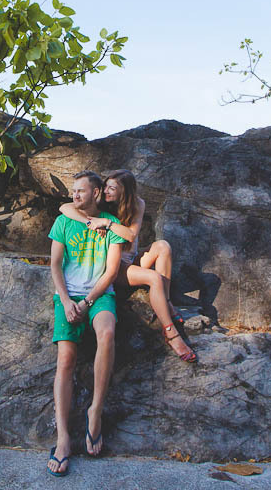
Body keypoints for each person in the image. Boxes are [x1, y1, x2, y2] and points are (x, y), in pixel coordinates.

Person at [60, 169, 196, 362]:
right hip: (116, 267)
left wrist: (106, 223)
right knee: (154, 278)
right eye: (106, 186)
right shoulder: (102, 202)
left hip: (131, 258)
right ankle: (170, 332)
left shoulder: (137, 204)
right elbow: (64, 208)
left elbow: (131, 235)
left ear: (125, 192)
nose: (106, 191)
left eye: (112, 188)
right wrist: (90, 221)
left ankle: (164, 302)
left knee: (163, 246)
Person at [47, 170, 128, 477]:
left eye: (81, 191)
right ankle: (63, 439)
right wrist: (67, 302)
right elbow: (54, 264)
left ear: (96, 193)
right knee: (66, 358)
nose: (75, 195)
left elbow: (110, 272)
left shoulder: (111, 225)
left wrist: (88, 301)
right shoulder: (65, 220)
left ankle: (95, 410)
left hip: (98, 296)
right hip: (67, 297)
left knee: (107, 332)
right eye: (73, 191)